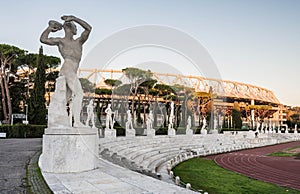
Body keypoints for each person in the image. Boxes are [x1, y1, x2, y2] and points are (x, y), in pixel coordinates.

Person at [40, 15, 92, 128]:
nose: (77, 30)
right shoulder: (61, 41)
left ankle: (59, 122)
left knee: (66, 98)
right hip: (68, 68)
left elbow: (89, 28)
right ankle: (77, 122)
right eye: (75, 28)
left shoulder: (79, 42)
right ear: (70, 28)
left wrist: (74, 18)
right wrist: (49, 28)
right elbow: (43, 39)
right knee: (79, 93)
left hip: (70, 70)